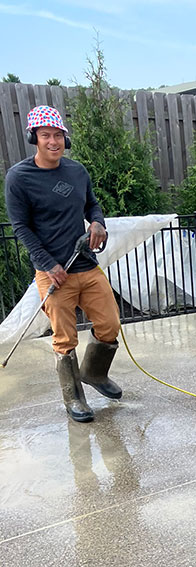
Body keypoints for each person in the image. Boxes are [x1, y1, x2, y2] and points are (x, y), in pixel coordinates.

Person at [4, 105, 122, 423]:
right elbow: (21, 228)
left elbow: (92, 205)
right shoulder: (19, 178)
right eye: (46, 135)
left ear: (64, 140)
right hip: (53, 274)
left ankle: (95, 374)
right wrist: (48, 265)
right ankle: (74, 397)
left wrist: (97, 223)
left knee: (110, 325)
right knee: (64, 337)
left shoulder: (76, 172)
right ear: (34, 138)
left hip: (85, 265)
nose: (53, 141)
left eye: (58, 136)